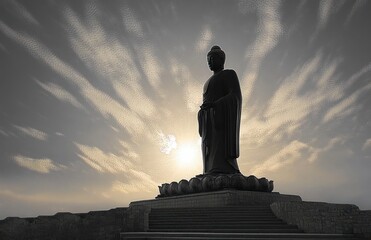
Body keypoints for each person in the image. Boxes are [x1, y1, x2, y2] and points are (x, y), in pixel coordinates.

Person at [198, 46, 242, 175]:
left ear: (221, 59)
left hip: (221, 118)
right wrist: (202, 112)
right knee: (208, 146)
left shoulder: (229, 74)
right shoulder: (207, 82)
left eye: (212, 58)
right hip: (208, 120)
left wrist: (216, 104)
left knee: (219, 145)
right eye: (208, 60)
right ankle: (208, 170)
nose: (209, 62)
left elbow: (235, 96)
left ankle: (224, 169)